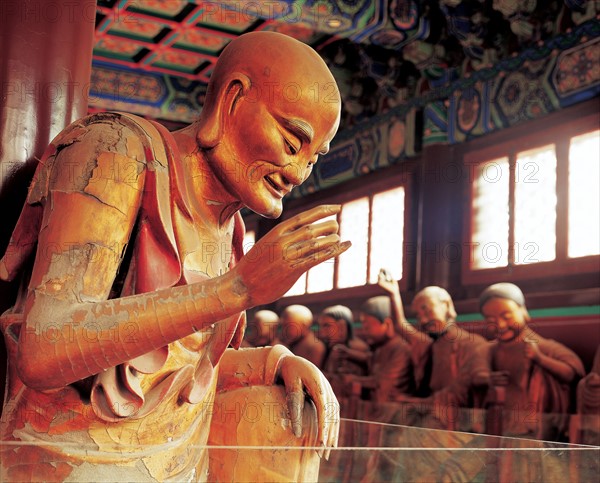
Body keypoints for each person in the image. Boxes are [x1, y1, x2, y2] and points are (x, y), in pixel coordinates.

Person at [0, 31, 350, 482]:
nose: (299, 172)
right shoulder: (117, 150)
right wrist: (236, 288)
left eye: (314, 157)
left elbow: (176, 374)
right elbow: (44, 352)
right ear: (233, 100)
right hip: (73, 460)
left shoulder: (230, 228)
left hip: (174, 462)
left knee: (284, 407)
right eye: (291, 141)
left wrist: (276, 361)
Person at [377, 270, 490, 421]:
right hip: (426, 412)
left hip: (453, 419)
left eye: (427, 310)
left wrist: (418, 402)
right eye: (418, 315)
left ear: (446, 305)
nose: (423, 321)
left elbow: (461, 393)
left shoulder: (473, 344)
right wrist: (394, 294)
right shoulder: (430, 344)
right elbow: (400, 325)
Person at [479, 282, 585, 440]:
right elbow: (469, 378)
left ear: (523, 311)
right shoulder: (488, 350)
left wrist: (540, 359)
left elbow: (573, 374)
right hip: (498, 422)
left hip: (535, 425)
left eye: (506, 316)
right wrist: (485, 379)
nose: (499, 324)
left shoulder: (544, 347)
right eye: (490, 319)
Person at [336, 296, 414, 404]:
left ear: (387, 324)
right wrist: (349, 354)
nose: (364, 331)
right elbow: (370, 358)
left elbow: (383, 381)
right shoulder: (381, 347)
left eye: (367, 327)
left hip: (391, 407)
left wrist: (354, 379)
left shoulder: (401, 348)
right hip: (375, 405)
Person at [317, 305, 370, 397]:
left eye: (327, 326)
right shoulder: (333, 348)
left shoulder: (356, 347)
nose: (322, 331)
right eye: (321, 326)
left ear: (342, 326)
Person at [279, 304, 326, 368]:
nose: (284, 331)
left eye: (288, 326)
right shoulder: (292, 343)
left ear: (304, 325)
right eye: (283, 326)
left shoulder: (315, 347)